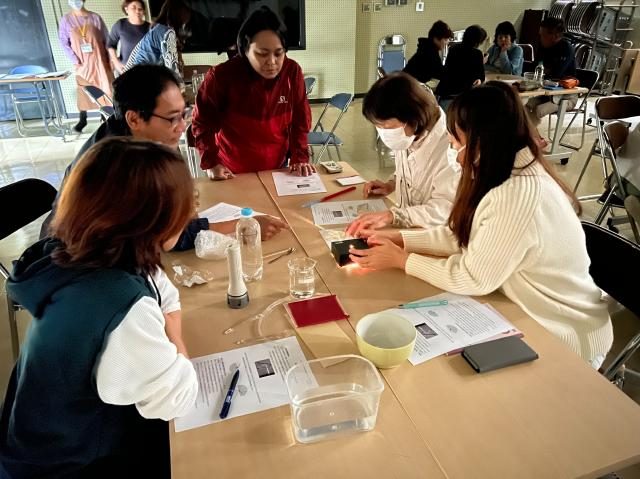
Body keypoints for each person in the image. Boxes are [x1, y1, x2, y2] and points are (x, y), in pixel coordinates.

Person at [348, 82, 613, 368]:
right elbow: (464, 235)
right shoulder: (506, 173)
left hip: (567, 337)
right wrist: (400, 239)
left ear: (482, 140)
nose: (453, 150)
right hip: (528, 311)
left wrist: (402, 260)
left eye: (456, 141)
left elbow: (473, 278)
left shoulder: (515, 194)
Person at [0, 138, 198, 477]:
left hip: (41, 438)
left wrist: (167, 324)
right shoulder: (119, 303)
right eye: (184, 208)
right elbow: (177, 399)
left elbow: (162, 290)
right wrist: (176, 342)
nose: (191, 215)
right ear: (149, 221)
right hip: (69, 463)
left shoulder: (88, 253)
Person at [39, 65, 288, 248]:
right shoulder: (117, 167)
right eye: (172, 118)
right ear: (134, 119)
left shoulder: (148, 138)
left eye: (184, 114)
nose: (181, 127)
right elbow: (169, 237)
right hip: (81, 268)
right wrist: (244, 225)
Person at [192, 6, 313, 180]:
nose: (272, 62)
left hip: (276, 167)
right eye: (262, 54)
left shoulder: (291, 71)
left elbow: (300, 120)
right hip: (232, 170)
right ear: (245, 50)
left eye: (279, 53)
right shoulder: (221, 77)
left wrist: (300, 156)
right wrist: (211, 163)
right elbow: (202, 123)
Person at [345, 72, 457, 235]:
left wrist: (393, 216)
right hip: (407, 231)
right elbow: (409, 168)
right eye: (378, 126)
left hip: (434, 237)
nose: (383, 133)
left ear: (413, 118)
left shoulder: (450, 149)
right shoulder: (410, 134)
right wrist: (392, 184)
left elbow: (444, 209)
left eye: (387, 127)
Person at [58, 0, 114, 133]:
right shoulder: (66, 20)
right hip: (82, 63)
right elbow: (63, 42)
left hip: (99, 61)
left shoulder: (95, 18)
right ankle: (82, 120)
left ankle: (104, 117)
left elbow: (106, 39)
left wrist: (110, 58)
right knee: (84, 90)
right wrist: (75, 59)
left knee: (104, 89)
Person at [526, 18, 577, 128]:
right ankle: (528, 134)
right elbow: (535, 68)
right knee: (524, 105)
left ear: (555, 36)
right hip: (545, 93)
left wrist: (545, 72)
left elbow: (556, 74)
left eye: (543, 35)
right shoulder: (543, 47)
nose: (540, 38)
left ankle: (530, 135)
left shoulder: (566, 49)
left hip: (565, 96)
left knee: (539, 110)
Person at [125, 0, 190, 78]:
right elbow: (172, 70)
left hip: (133, 76)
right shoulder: (167, 32)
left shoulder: (157, 29)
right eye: (183, 23)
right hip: (139, 78)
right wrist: (180, 83)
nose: (183, 27)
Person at [436, 25, 487, 110]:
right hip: (462, 97)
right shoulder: (477, 54)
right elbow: (481, 77)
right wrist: (482, 62)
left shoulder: (453, 48)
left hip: (446, 94)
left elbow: (448, 69)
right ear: (478, 41)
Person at [403, 20, 453, 86]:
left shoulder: (427, 48)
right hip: (406, 86)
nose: (447, 42)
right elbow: (440, 73)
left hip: (406, 83)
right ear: (436, 39)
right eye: (445, 39)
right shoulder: (429, 52)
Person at [107, 0, 150, 74]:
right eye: (133, 8)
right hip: (125, 68)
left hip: (146, 69)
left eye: (140, 9)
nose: (137, 11)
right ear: (126, 9)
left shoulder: (150, 27)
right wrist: (116, 62)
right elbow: (111, 44)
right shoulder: (120, 24)